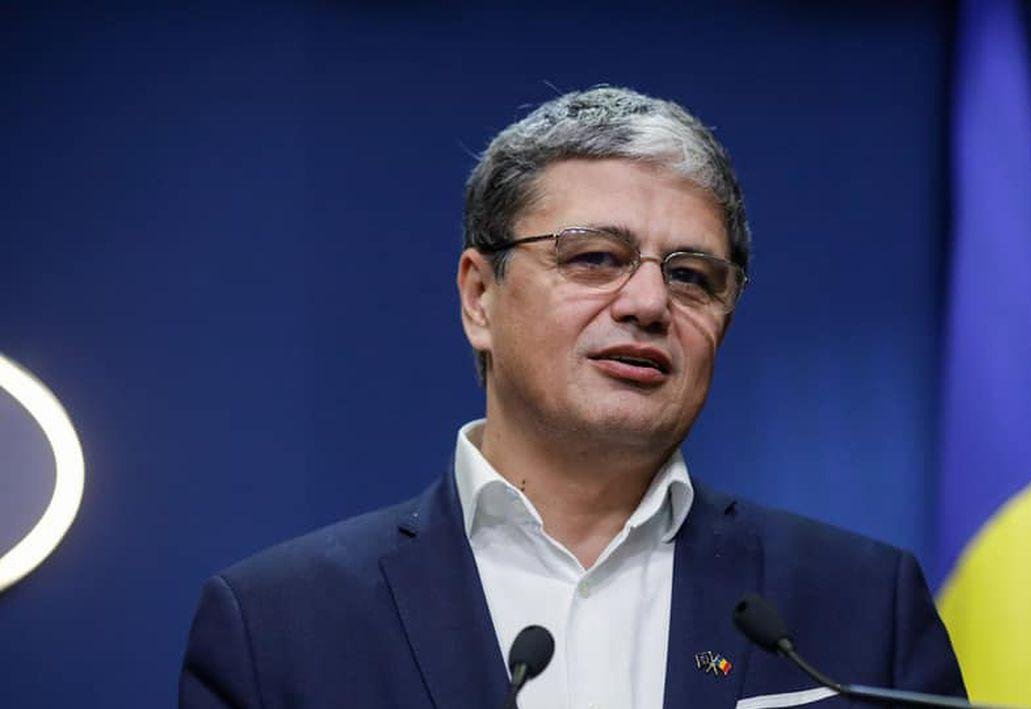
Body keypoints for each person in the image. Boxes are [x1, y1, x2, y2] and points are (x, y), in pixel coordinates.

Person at [179, 87, 965, 709]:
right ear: (480, 297)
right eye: (595, 258)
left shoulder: (863, 605)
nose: (649, 303)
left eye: (692, 276)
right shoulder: (278, 627)